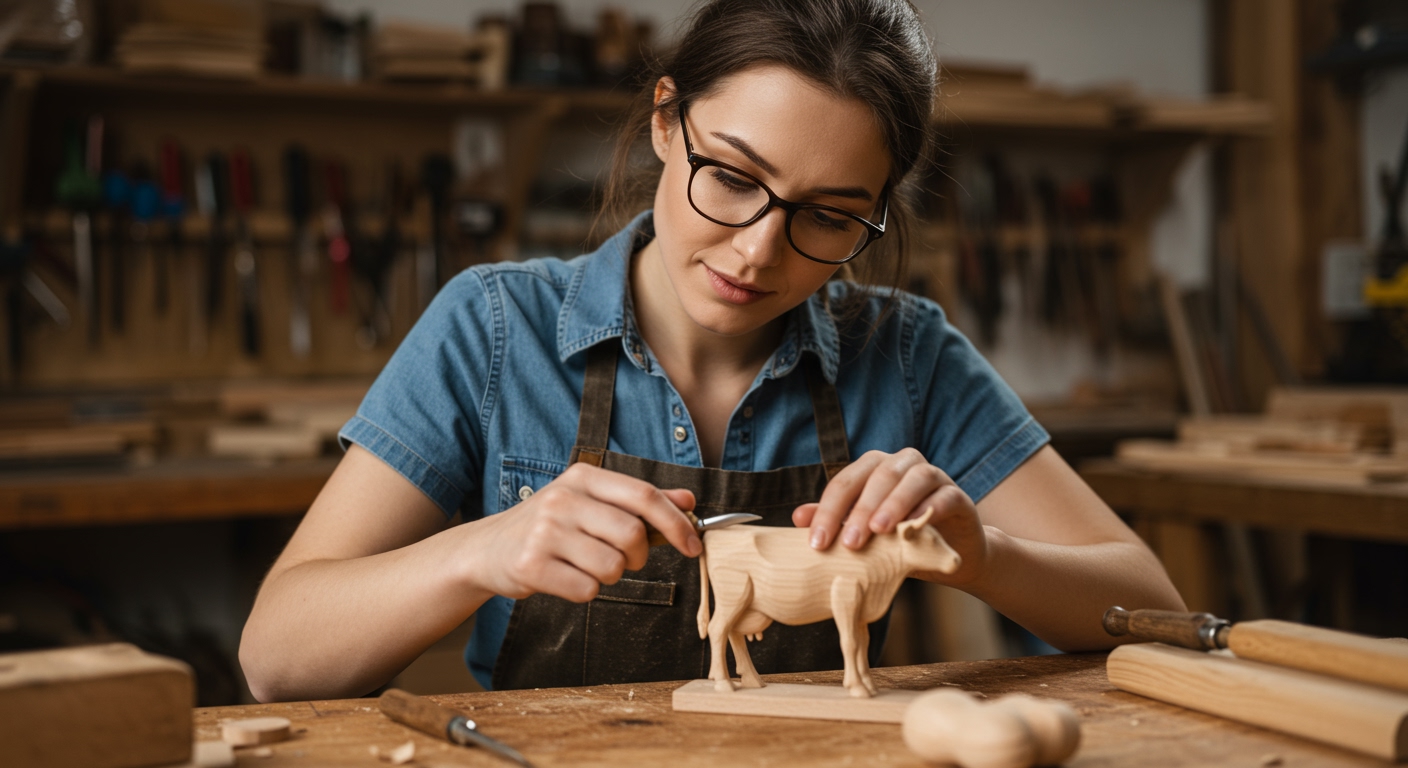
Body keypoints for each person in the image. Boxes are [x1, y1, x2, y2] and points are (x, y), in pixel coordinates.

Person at [239, 0, 1184, 703]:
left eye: (828, 216)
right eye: (731, 177)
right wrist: (480, 551)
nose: (758, 251)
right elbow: (276, 661)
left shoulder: (907, 354)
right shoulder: (491, 329)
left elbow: (1158, 614)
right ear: (666, 121)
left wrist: (983, 555)